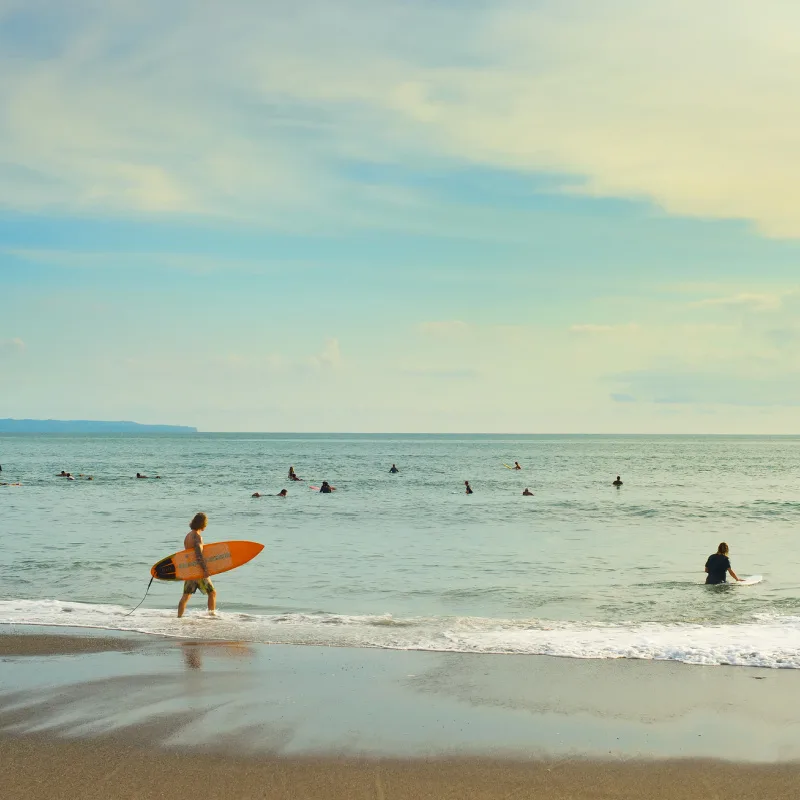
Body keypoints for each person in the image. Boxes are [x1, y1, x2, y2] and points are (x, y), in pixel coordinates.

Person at [178, 512, 216, 618]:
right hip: (198, 571)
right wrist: (205, 570)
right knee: (212, 593)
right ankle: (211, 617)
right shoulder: (197, 537)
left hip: (190, 571)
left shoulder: (188, 536)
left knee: (185, 596)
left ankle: (178, 618)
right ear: (202, 524)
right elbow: (198, 555)